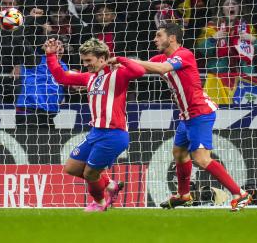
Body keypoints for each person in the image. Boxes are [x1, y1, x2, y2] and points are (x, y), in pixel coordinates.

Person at [133, 23, 252, 211]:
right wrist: (112, 65)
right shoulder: (161, 57)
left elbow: (162, 68)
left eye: (158, 35)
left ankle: (240, 194)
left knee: (202, 159)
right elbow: (141, 69)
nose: (155, 39)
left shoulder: (184, 55)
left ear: (171, 38)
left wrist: (124, 59)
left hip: (200, 113)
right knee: (179, 153)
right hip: (187, 115)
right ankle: (184, 195)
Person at [45, 38, 145, 211]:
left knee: (90, 173)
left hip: (114, 133)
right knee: (71, 168)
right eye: (84, 61)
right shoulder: (89, 78)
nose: (86, 65)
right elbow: (61, 76)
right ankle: (110, 185)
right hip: (95, 132)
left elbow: (140, 71)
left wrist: (120, 59)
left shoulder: (118, 74)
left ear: (102, 58)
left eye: (89, 61)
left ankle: (100, 203)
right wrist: (51, 55)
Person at [15, 40, 69, 127]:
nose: (59, 47)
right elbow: (22, 43)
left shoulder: (64, 66)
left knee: (49, 140)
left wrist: (63, 94)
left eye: (61, 46)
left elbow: (64, 84)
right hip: (30, 110)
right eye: (55, 45)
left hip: (49, 113)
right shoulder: (36, 59)